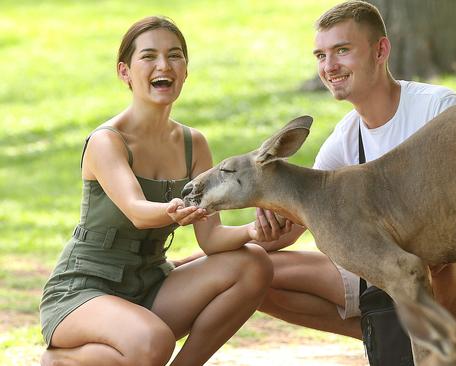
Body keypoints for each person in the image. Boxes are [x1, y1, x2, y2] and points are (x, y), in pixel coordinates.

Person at [39, 16, 278, 366]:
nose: (163, 65)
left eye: (175, 55)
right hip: (83, 291)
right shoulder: (107, 141)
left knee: (254, 264)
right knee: (153, 342)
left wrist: (259, 231)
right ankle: (61, 361)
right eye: (149, 56)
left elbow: (210, 239)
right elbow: (136, 210)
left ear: (185, 69)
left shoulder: (193, 144)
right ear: (125, 72)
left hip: (151, 284)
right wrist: (173, 209)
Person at [255, 0, 456, 349]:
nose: (330, 66)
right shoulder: (344, 140)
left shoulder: (438, 109)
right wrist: (196, 259)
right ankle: (380, 332)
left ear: (380, 50)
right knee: (255, 274)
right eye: (320, 55)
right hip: (390, 273)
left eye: (342, 51)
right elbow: (290, 230)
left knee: (433, 263)